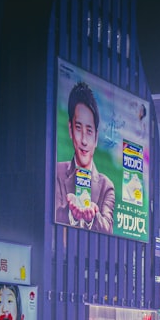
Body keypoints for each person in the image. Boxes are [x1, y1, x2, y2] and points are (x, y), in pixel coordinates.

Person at [55, 81, 115, 233]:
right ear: (70, 129)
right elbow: (52, 213)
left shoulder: (106, 186)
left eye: (89, 131)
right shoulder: (57, 172)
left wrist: (92, 217)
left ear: (96, 137)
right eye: (78, 128)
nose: (83, 140)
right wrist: (71, 213)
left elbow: (108, 228)